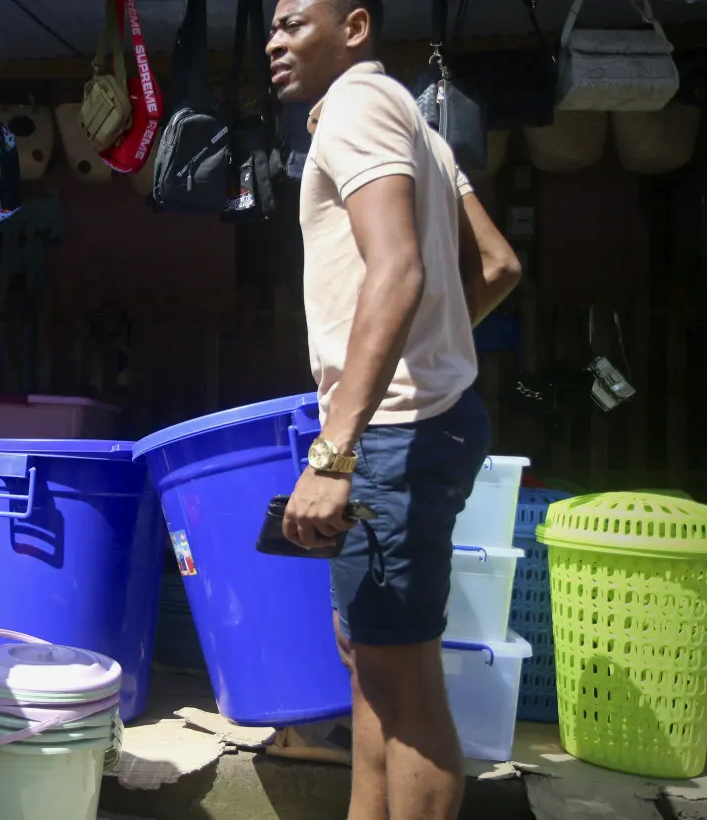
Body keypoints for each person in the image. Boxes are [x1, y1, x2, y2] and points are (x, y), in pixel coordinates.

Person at [269, 2, 522, 819]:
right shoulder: (418, 126)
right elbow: (498, 264)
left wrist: (334, 453)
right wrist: (431, 348)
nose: (275, 40)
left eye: (294, 23)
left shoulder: (356, 107)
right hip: (418, 420)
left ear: (353, 27)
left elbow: (399, 272)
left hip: (391, 434)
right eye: (270, 27)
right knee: (373, 665)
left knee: (404, 691)